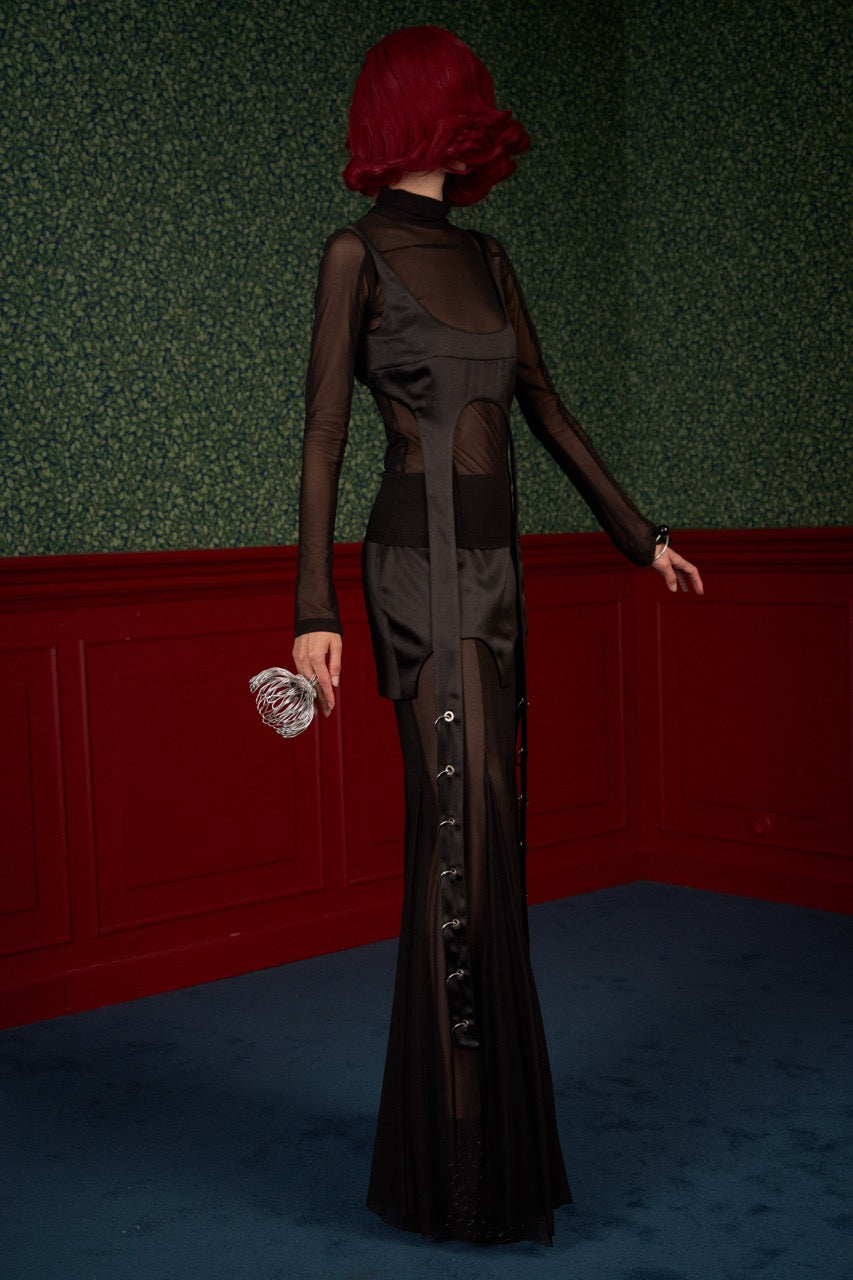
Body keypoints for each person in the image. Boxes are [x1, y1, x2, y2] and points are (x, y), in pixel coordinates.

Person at [292, 26, 703, 1246]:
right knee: (457, 849)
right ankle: (457, 1169)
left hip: (497, 583)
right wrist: (312, 609)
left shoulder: (490, 258)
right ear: (437, 112)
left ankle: (483, 1156)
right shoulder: (354, 253)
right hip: (414, 577)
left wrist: (641, 536)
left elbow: (548, 411)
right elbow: (322, 434)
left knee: (491, 850)